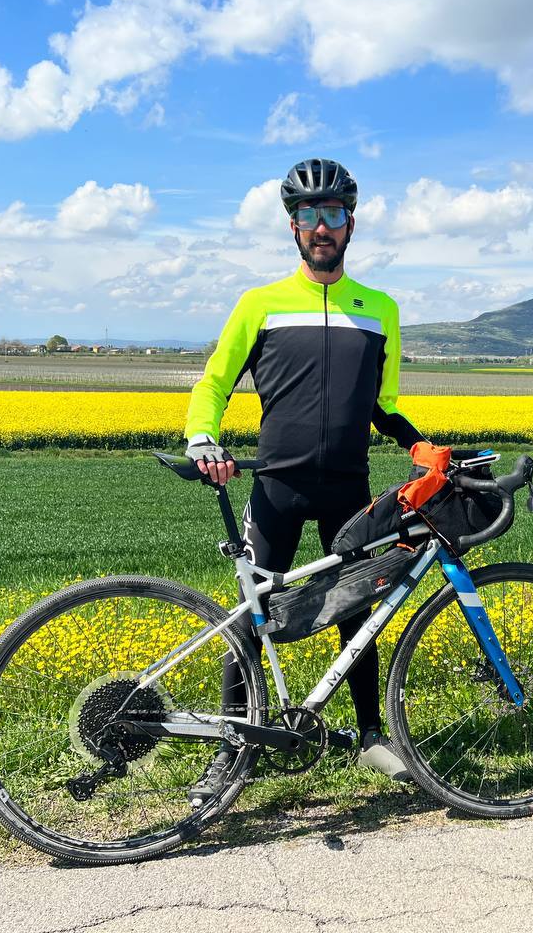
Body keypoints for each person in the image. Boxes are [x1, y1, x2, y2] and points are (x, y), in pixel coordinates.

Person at [183, 157, 425, 801]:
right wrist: (203, 436)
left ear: (351, 225)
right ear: (293, 227)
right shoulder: (260, 305)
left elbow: (385, 402)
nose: (323, 227)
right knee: (252, 615)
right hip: (278, 486)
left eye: (335, 214)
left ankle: (373, 735)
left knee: (359, 609)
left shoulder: (380, 311)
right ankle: (236, 746)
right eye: (310, 216)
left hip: (348, 484)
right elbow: (214, 381)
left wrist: (420, 444)